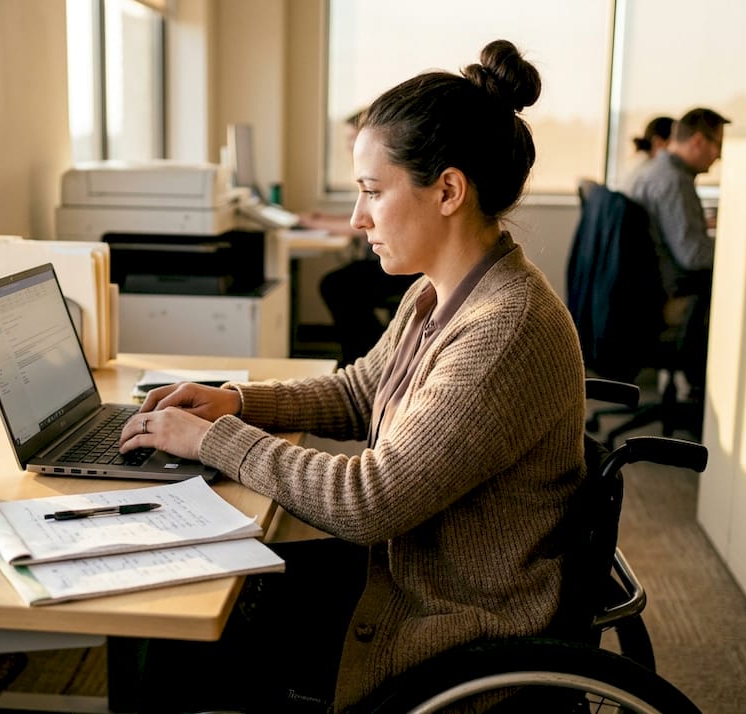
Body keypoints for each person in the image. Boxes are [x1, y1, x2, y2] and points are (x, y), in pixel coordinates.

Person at [118, 39, 587, 713]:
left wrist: (210, 440)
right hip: (413, 573)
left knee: (184, 638)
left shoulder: (502, 330)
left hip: (448, 625)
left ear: (448, 191)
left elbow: (370, 501)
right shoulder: (441, 291)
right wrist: (235, 402)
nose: (355, 218)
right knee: (190, 599)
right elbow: (360, 389)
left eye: (371, 192)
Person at [625, 107, 729, 399]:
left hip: (646, 289)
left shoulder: (656, 170)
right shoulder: (673, 180)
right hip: (668, 294)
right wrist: (735, 251)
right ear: (697, 141)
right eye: (718, 146)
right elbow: (692, 256)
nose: (719, 156)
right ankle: (705, 401)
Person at [301, 111, 418, 366]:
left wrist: (316, 223)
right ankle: (371, 358)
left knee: (338, 285)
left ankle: (367, 355)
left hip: (401, 267)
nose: (348, 145)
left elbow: (366, 221)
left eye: (352, 137)